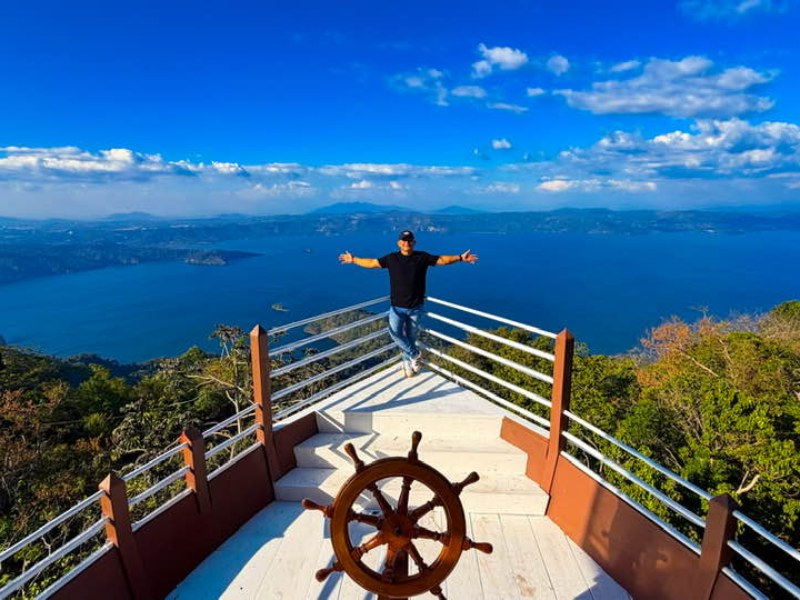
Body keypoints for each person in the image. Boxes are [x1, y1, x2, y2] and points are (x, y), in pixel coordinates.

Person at [339, 230, 478, 377]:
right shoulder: (391, 258)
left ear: (414, 243)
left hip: (415, 308)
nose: (407, 243)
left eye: (410, 240)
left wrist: (461, 258)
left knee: (411, 338)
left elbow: (442, 260)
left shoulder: (422, 257)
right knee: (394, 333)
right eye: (404, 241)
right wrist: (354, 260)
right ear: (399, 243)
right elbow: (373, 262)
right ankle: (414, 354)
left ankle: (408, 363)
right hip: (397, 307)